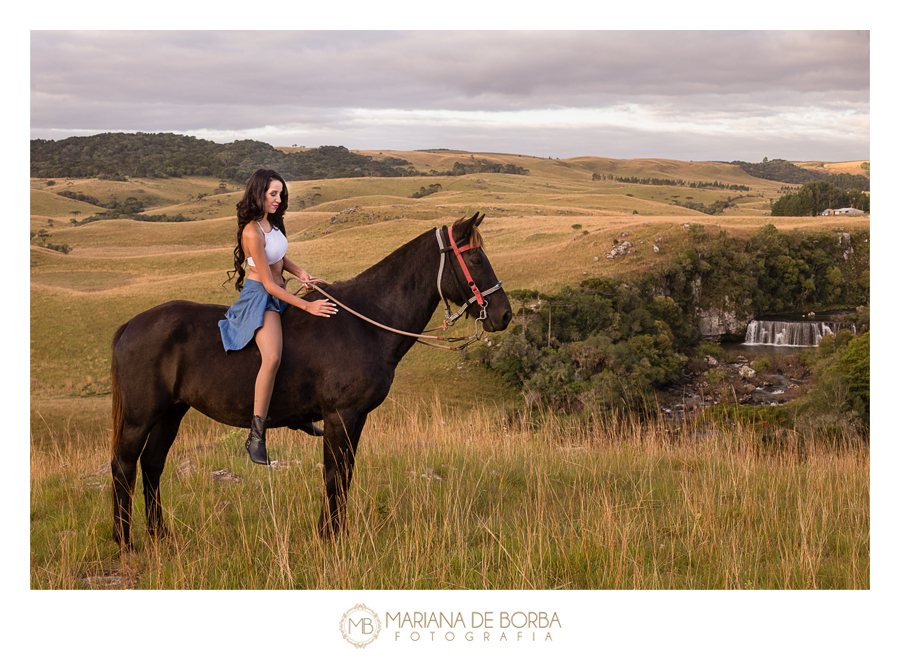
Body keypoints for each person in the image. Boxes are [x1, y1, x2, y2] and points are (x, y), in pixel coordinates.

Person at [219, 169, 337, 465]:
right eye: (273, 193)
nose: (278, 199)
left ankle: (297, 413)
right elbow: (269, 283)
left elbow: (279, 259)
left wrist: (301, 273)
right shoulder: (251, 231)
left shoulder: (272, 225)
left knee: (302, 345)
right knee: (272, 357)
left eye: (280, 194)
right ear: (258, 193)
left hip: (280, 291)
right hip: (262, 297)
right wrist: (306, 305)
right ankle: (256, 435)